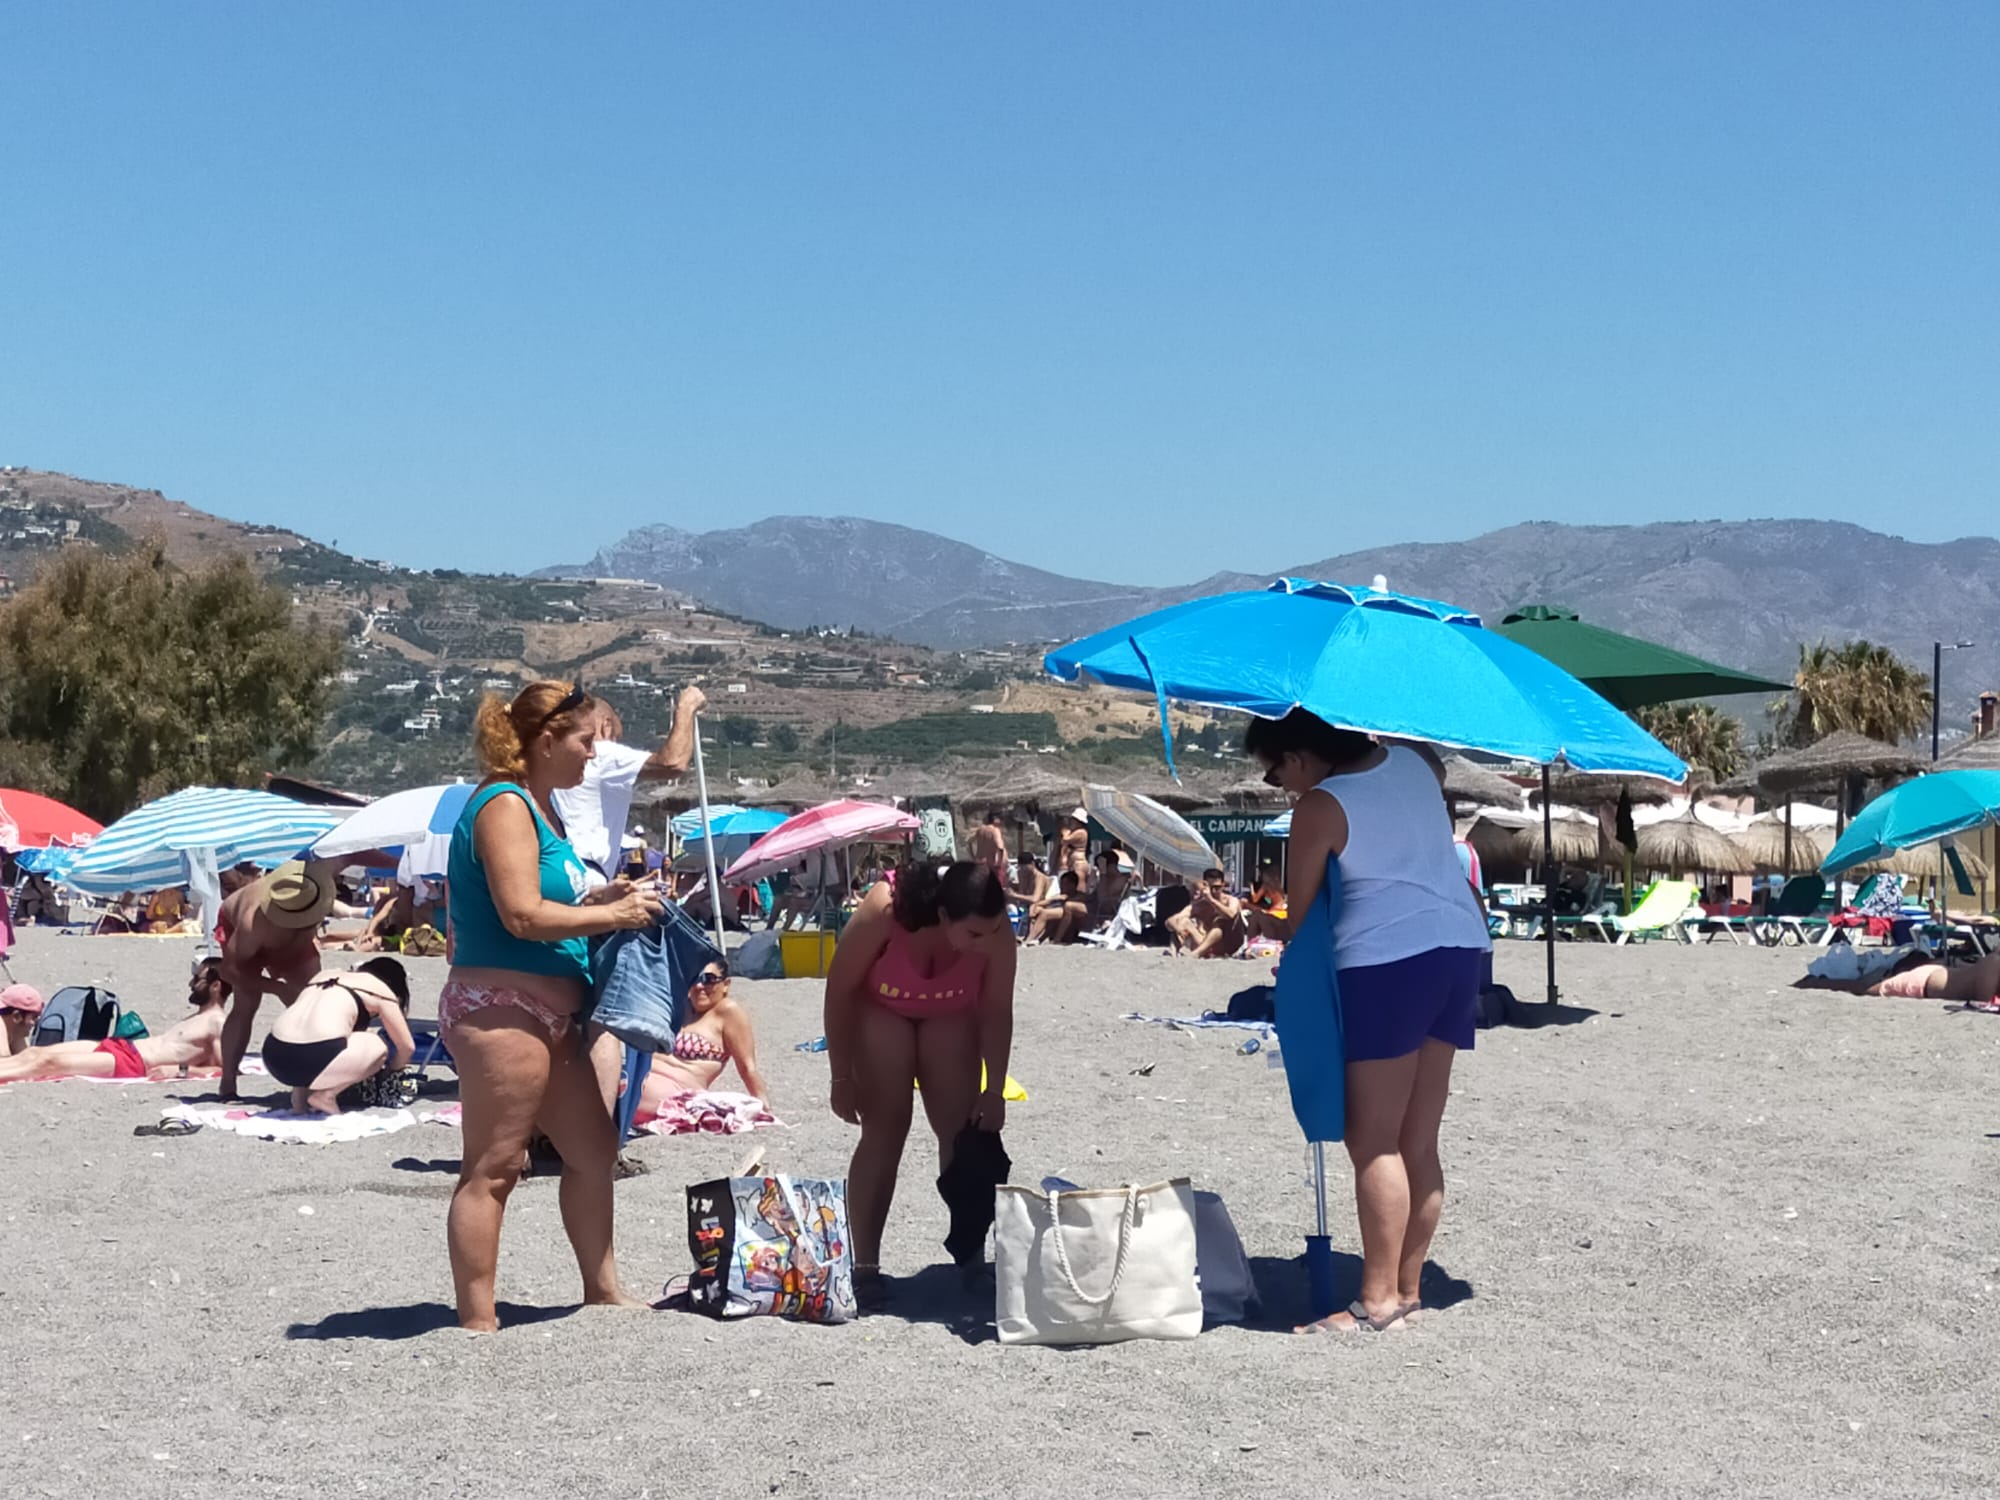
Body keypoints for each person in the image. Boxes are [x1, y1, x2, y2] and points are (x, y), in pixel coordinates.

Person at [1247, 708, 1491, 1335]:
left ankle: (1377, 1301)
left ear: (1299, 755)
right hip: (1461, 949)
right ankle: (1407, 1290)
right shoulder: (1417, 765)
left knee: (1374, 1139)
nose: (1279, 784)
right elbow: (1426, 766)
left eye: (1275, 769)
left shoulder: (1322, 805)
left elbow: (1301, 917)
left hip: (1386, 962)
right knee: (1419, 1137)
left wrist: (1265, 922)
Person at [443, 679, 665, 1333]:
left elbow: (547, 903)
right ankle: (477, 1319)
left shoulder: (543, 810)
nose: (593, 754)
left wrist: (600, 904)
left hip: (551, 1011)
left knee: (593, 1151)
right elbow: (518, 914)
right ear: (547, 741)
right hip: (502, 1004)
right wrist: (612, 914)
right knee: (494, 1165)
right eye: (585, 740)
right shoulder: (504, 804)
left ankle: (602, 1291)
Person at [823, 860, 1016, 1309]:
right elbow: (840, 989)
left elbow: (996, 1009)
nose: (985, 943)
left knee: (961, 1131)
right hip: (881, 1008)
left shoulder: (995, 929)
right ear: (944, 916)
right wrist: (841, 1074)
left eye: (992, 931)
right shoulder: (884, 908)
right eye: (973, 935)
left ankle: (970, 1258)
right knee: (885, 1129)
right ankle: (865, 1265)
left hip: (951, 1012)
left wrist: (995, 1089)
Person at [553, 688, 705, 887]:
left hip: (560, 866)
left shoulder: (556, 759)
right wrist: (687, 707)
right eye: (617, 737)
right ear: (606, 726)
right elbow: (672, 763)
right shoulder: (602, 754)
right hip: (587, 873)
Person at [216, 860, 340, 1099]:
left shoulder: (313, 892)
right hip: (244, 939)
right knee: (246, 1003)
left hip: (293, 943)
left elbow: (353, 857)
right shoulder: (253, 922)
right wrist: (276, 988)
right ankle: (228, 1081)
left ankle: (315, 1079)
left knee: (313, 1003)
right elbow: (229, 971)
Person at [0, 961, 232, 1083]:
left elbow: (227, 1069)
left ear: (216, 986)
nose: (191, 984)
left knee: (48, 1062)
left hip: (135, 1063)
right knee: (37, 1053)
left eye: (197, 979)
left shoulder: (218, 1023)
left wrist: (180, 1070)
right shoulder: (199, 1017)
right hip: (122, 1047)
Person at [264, 959, 418, 1114]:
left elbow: (305, 1034)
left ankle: (299, 1101)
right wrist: (389, 1072)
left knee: (309, 1036)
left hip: (274, 1057)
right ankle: (326, 1096)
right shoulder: (381, 991)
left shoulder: (325, 976)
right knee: (377, 1045)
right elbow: (406, 1047)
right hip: (313, 1058)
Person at [633, 958, 770, 1119]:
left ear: (726, 984)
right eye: (694, 979)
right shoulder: (677, 1007)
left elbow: (748, 1068)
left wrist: (763, 1105)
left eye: (709, 980)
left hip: (673, 1093)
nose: (699, 986)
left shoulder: (728, 1012)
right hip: (637, 1080)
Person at [1169, 868, 1246, 958]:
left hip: (1228, 944)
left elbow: (1231, 914)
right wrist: (1177, 927)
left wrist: (1211, 900)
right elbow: (1171, 920)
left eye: (1217, 887)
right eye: (1210, 887)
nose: (1213, 891)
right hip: (1205, 944)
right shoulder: (1199, 905)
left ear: (1223, 885)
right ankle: (1173, 953)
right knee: (1182, 922)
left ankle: (1196, 953)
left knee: (1220, 921)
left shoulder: (1231, 900)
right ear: (1204, 886)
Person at [1025, 867, 1089, 945]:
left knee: (1046, 913)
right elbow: (1041, 903)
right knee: (1039, 910)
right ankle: (1032, 937)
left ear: (1073, 885)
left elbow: (1075, 908)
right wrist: (1051, 899)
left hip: (1074, 922)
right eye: (1061, 884)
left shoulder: (1080, 896)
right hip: (1060, 917)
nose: (1062, 886)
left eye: (1065, 884)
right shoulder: (1059, 896)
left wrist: (1064, 899)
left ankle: (1031, 939)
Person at [968, 813, 1009, 882]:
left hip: (980, 863)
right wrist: (999, 862)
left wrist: (973, 856)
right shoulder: (994, 830)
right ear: (995, 820)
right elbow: (1000, 847)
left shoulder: (980, 829)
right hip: (992, 865)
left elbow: (969, 841)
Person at [2, 984, 43, 1055]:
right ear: (16, 1016)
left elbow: (26, 1058)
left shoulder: (15, 1033)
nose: (35, 1023)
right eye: (34, 1017)